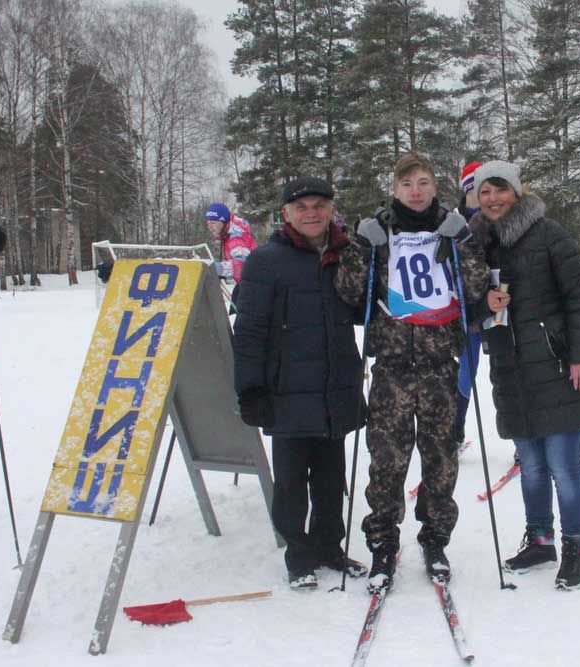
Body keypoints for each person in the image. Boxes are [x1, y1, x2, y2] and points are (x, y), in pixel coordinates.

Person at [334, 153, 489, 592]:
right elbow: (349, 294)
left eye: (423, 183)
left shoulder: (454, 228)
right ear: (395, 189)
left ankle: (435, 539)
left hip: (441, 365)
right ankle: (382, 541)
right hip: (393, 366)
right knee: (387, 461)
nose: (415, 191)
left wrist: (463, 243)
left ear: (435, 186)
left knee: (440, 461)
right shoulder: (379, 230)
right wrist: (360, 248)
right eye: (407, 185)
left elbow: (476, 289)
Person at [468, 160, 580, 591]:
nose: (492, 199)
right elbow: (468, 307)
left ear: (517, 191)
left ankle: (575, 546)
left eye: (500, 190)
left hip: (557, 365)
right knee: (530, 466)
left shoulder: (549, 235)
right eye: (484, 192)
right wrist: (483, 306)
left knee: (563, 465)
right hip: (510, 368)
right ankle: (540, 538)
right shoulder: (476, 243)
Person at [232, 177, 368, 589]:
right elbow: (250, 331)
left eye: (319, 206)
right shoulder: (266, 261)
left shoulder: (347, 255)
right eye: (302, 207)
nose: (312, 213)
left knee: (331, 475)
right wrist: (250, 389)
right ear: (286, 214)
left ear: (331, 210)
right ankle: (298, 553)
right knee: (292, 480)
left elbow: (364, 307)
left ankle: (330, 545)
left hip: (333, 386)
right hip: (286, 389)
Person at [453, 161, 484, 448]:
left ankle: (523, 441)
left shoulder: (500, 216)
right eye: (474, 187)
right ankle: (456, 430)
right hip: (467, 311)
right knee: (465, 371)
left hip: (501, 308)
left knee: (508, 374)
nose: (481, 193)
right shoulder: (455, 222)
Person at [204, 202, 257, 307]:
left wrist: (217, 268)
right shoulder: (228, 234)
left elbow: (243, 267)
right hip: (247, 285)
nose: (210, 227)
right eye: (208, 223)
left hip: (255, 287)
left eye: (213, 222)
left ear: (223, 221)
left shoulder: (236, 238)